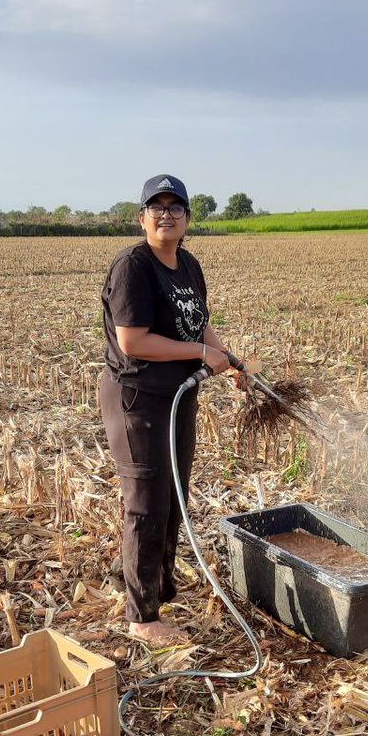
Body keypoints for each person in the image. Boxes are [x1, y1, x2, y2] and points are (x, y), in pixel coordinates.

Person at [100, 174, 235, 646]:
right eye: (155, 206)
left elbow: (200, 323)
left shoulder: (189, 265)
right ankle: (141, 617)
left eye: (175, 206)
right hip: (137, 397)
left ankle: (155, 585)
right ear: (141, 218)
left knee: (172, 494)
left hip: (178, 396)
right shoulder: (132, 267)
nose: (166, 213)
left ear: (188, 219)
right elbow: (132, 341)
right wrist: (200, 355)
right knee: (145, 502)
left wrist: (227, 357)